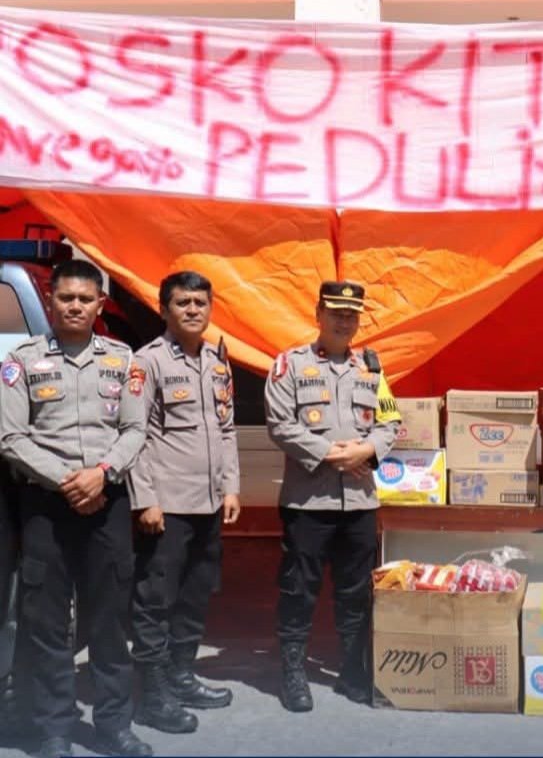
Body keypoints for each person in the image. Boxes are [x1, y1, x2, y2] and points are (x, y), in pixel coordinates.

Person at [0, 260, 152, 758]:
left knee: (109, 621)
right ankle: (53, 730)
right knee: (46, 624)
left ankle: (114, 727)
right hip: (47, 505)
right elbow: (10, 437)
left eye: (85, 299)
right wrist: (69, 481)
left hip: (107, 503)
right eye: (66, 298)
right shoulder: (21, 361)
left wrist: (101, 474)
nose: (75, 306)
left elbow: (135, 429)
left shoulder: (123, 360)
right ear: (51, 301)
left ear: (99, 304)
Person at [264, 280, 400, 713]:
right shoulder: (289, 365)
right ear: (318, 314)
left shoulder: (372, 369)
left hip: (359, 501)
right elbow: (280, 425)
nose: (344, 320)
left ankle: (352, 672)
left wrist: (367, 450)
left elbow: (391, 423)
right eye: (336, 312)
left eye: (351, 314)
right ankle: (293, 673)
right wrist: (330, 453)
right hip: (308, 503)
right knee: (298, 589)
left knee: (356, 591)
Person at [128, 271, 241, 735]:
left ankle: (181, 676)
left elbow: (226, 428)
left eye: (200, 302)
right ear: (164, 309)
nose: (193, 310)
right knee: (155, 602)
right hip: (166, 506)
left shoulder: (217, 361)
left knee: (196, 596)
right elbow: (133, 436)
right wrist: (145, 500)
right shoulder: (147, 362)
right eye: (182, 303)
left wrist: (231, 486)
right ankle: (152, 696)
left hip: (208, 503)